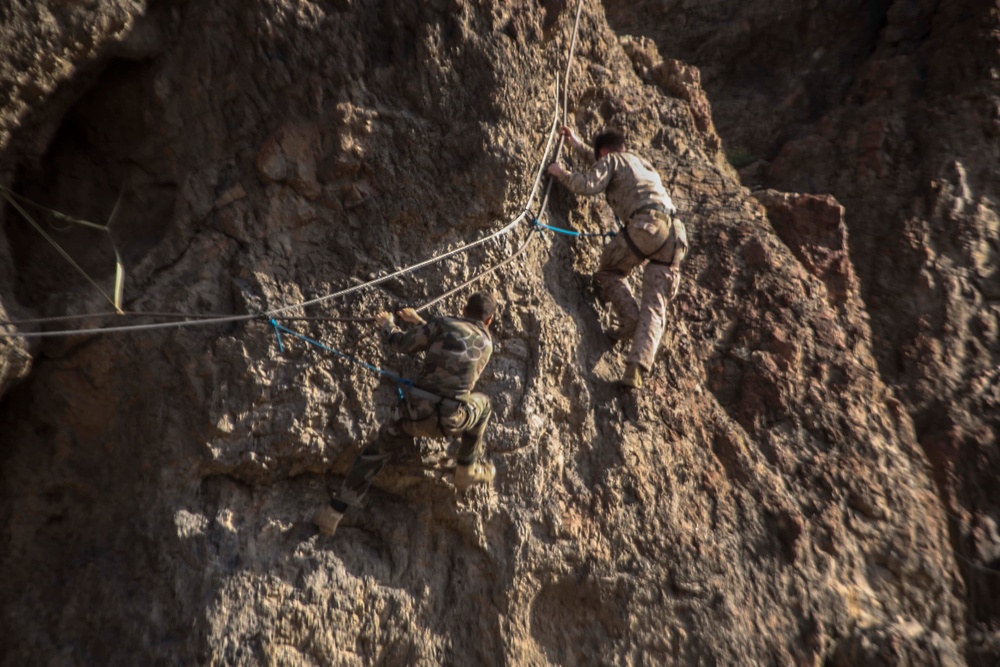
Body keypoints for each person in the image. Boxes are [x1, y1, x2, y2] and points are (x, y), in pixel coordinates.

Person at [313, 291, 499, 536]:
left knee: (374, 454)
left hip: (412, 415)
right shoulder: (487, 343)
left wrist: (388, 325)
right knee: (483, 404)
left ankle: (332, 514)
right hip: (451, 420)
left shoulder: (442, 324)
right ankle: (466, 468)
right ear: (489, 321)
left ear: (464, 310)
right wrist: (420, 322)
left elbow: (403, 344)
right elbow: (455, 347)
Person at [547, 126, 688, 389]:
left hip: (647, 225)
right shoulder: (642, 163)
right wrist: (575, 143)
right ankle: (636, 367)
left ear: (603, 151)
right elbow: (603, 161)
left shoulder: (610, 161)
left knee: (609, 272)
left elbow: (590, 184)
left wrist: (561, 173)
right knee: (656, 306)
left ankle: (629, 321)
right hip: (675, 236)